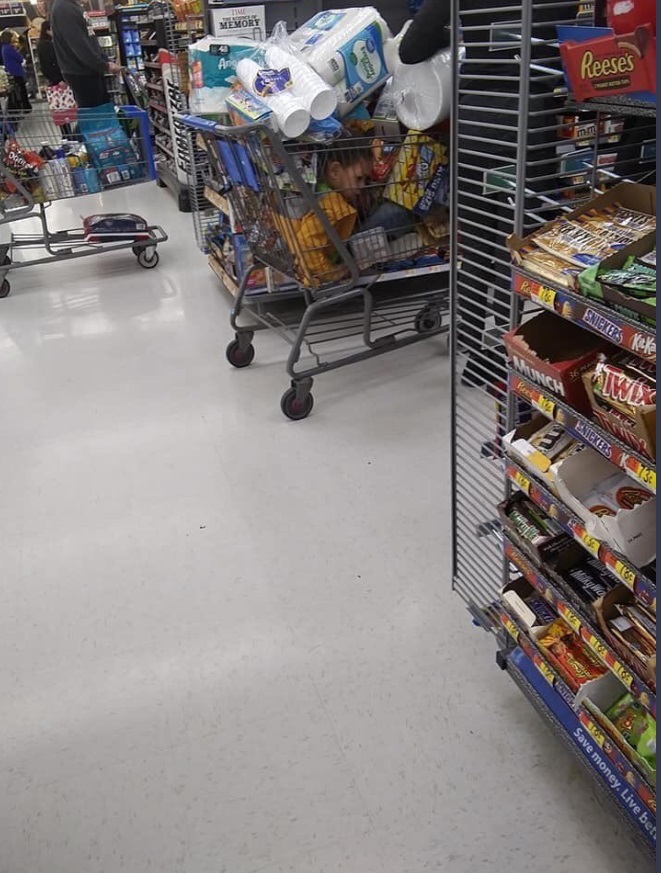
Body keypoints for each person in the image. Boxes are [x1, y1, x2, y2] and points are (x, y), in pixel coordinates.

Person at [50, 0, 121, 108]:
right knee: (95, 117)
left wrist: (105, 60)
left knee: (102, 114)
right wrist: (104, 65)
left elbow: (90, 39)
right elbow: (79, 45)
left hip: (89, 70)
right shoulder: (63, 8)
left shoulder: (73, 6)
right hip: (81, 73)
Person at [1, 30, 31, 114]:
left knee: (18, 91)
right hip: (16, 71)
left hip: (11, 71)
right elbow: (19, 58)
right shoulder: (9, 48)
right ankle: (26, 107)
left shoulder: (4, 48)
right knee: (22, 90)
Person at [36, 20, 62, 86]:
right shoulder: (45, 45)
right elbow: (47, 64)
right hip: (57, 79)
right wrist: (58, 80)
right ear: (47, 31)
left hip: (59, 77)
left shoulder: (51, 42)